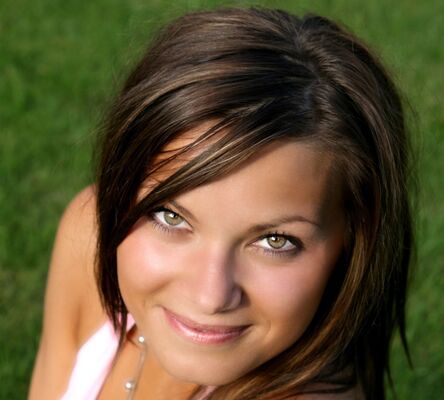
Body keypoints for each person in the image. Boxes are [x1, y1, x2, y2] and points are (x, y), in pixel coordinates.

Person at [28, 7, 414, 400]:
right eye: (170, 216)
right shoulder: (90, 234)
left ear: (353, 239)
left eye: (275, 241)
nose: (210, 296)